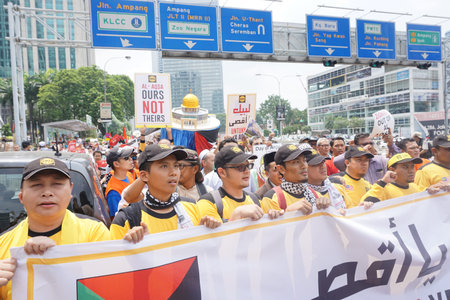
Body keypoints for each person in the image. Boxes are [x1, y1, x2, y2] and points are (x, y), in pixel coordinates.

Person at [0, 157, 110, 299]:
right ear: (21, 196)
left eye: (57, 184)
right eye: (36, 185)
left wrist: (55, 257)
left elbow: (107, 289)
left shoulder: (95, 233)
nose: (47, 193)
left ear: (70, 191)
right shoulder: (3, 245)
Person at [110, 144, 220, 240]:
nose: (174, 172)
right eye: (164, 166)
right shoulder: (126, 220)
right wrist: (133, 248)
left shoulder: (195, 208)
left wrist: (203, 236)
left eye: (176, 166)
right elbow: (115, 261)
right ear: (144, 175)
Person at [197, 146, 282, 222]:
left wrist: (273, 216)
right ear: (222, 172)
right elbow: (215, 238)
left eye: (248, 166)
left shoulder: (255, 199)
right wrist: (237, 215)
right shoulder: (208, 203)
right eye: (240, 167)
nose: (247, 171)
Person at [261, 144, 330, 214]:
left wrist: (327, 208)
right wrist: (288, 213)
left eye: (304, 160)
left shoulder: (315, 195)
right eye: (296, 162)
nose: (304, 166)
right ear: (281, 169)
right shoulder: (272, 198)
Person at [361, 153, 449, 207]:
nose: (411, 171)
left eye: (412, 167)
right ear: (392, 170)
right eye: (405, 167)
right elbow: (364, 204)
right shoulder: (384, 189)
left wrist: (434, 189)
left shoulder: (414, 187)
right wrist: (383, 182)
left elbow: (426, 194)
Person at [305, 149, 349, 214]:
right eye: (316, 164)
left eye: (323, 162)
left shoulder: (336, 187)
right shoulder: (303, 195)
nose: (322, 167)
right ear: (304, 169)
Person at [105, 146, 135, 219]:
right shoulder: (113, 192)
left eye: (130, 157)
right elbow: (117, 218)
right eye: (126, 158)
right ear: (116, 164)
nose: (131, 159)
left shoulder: (128, 174)